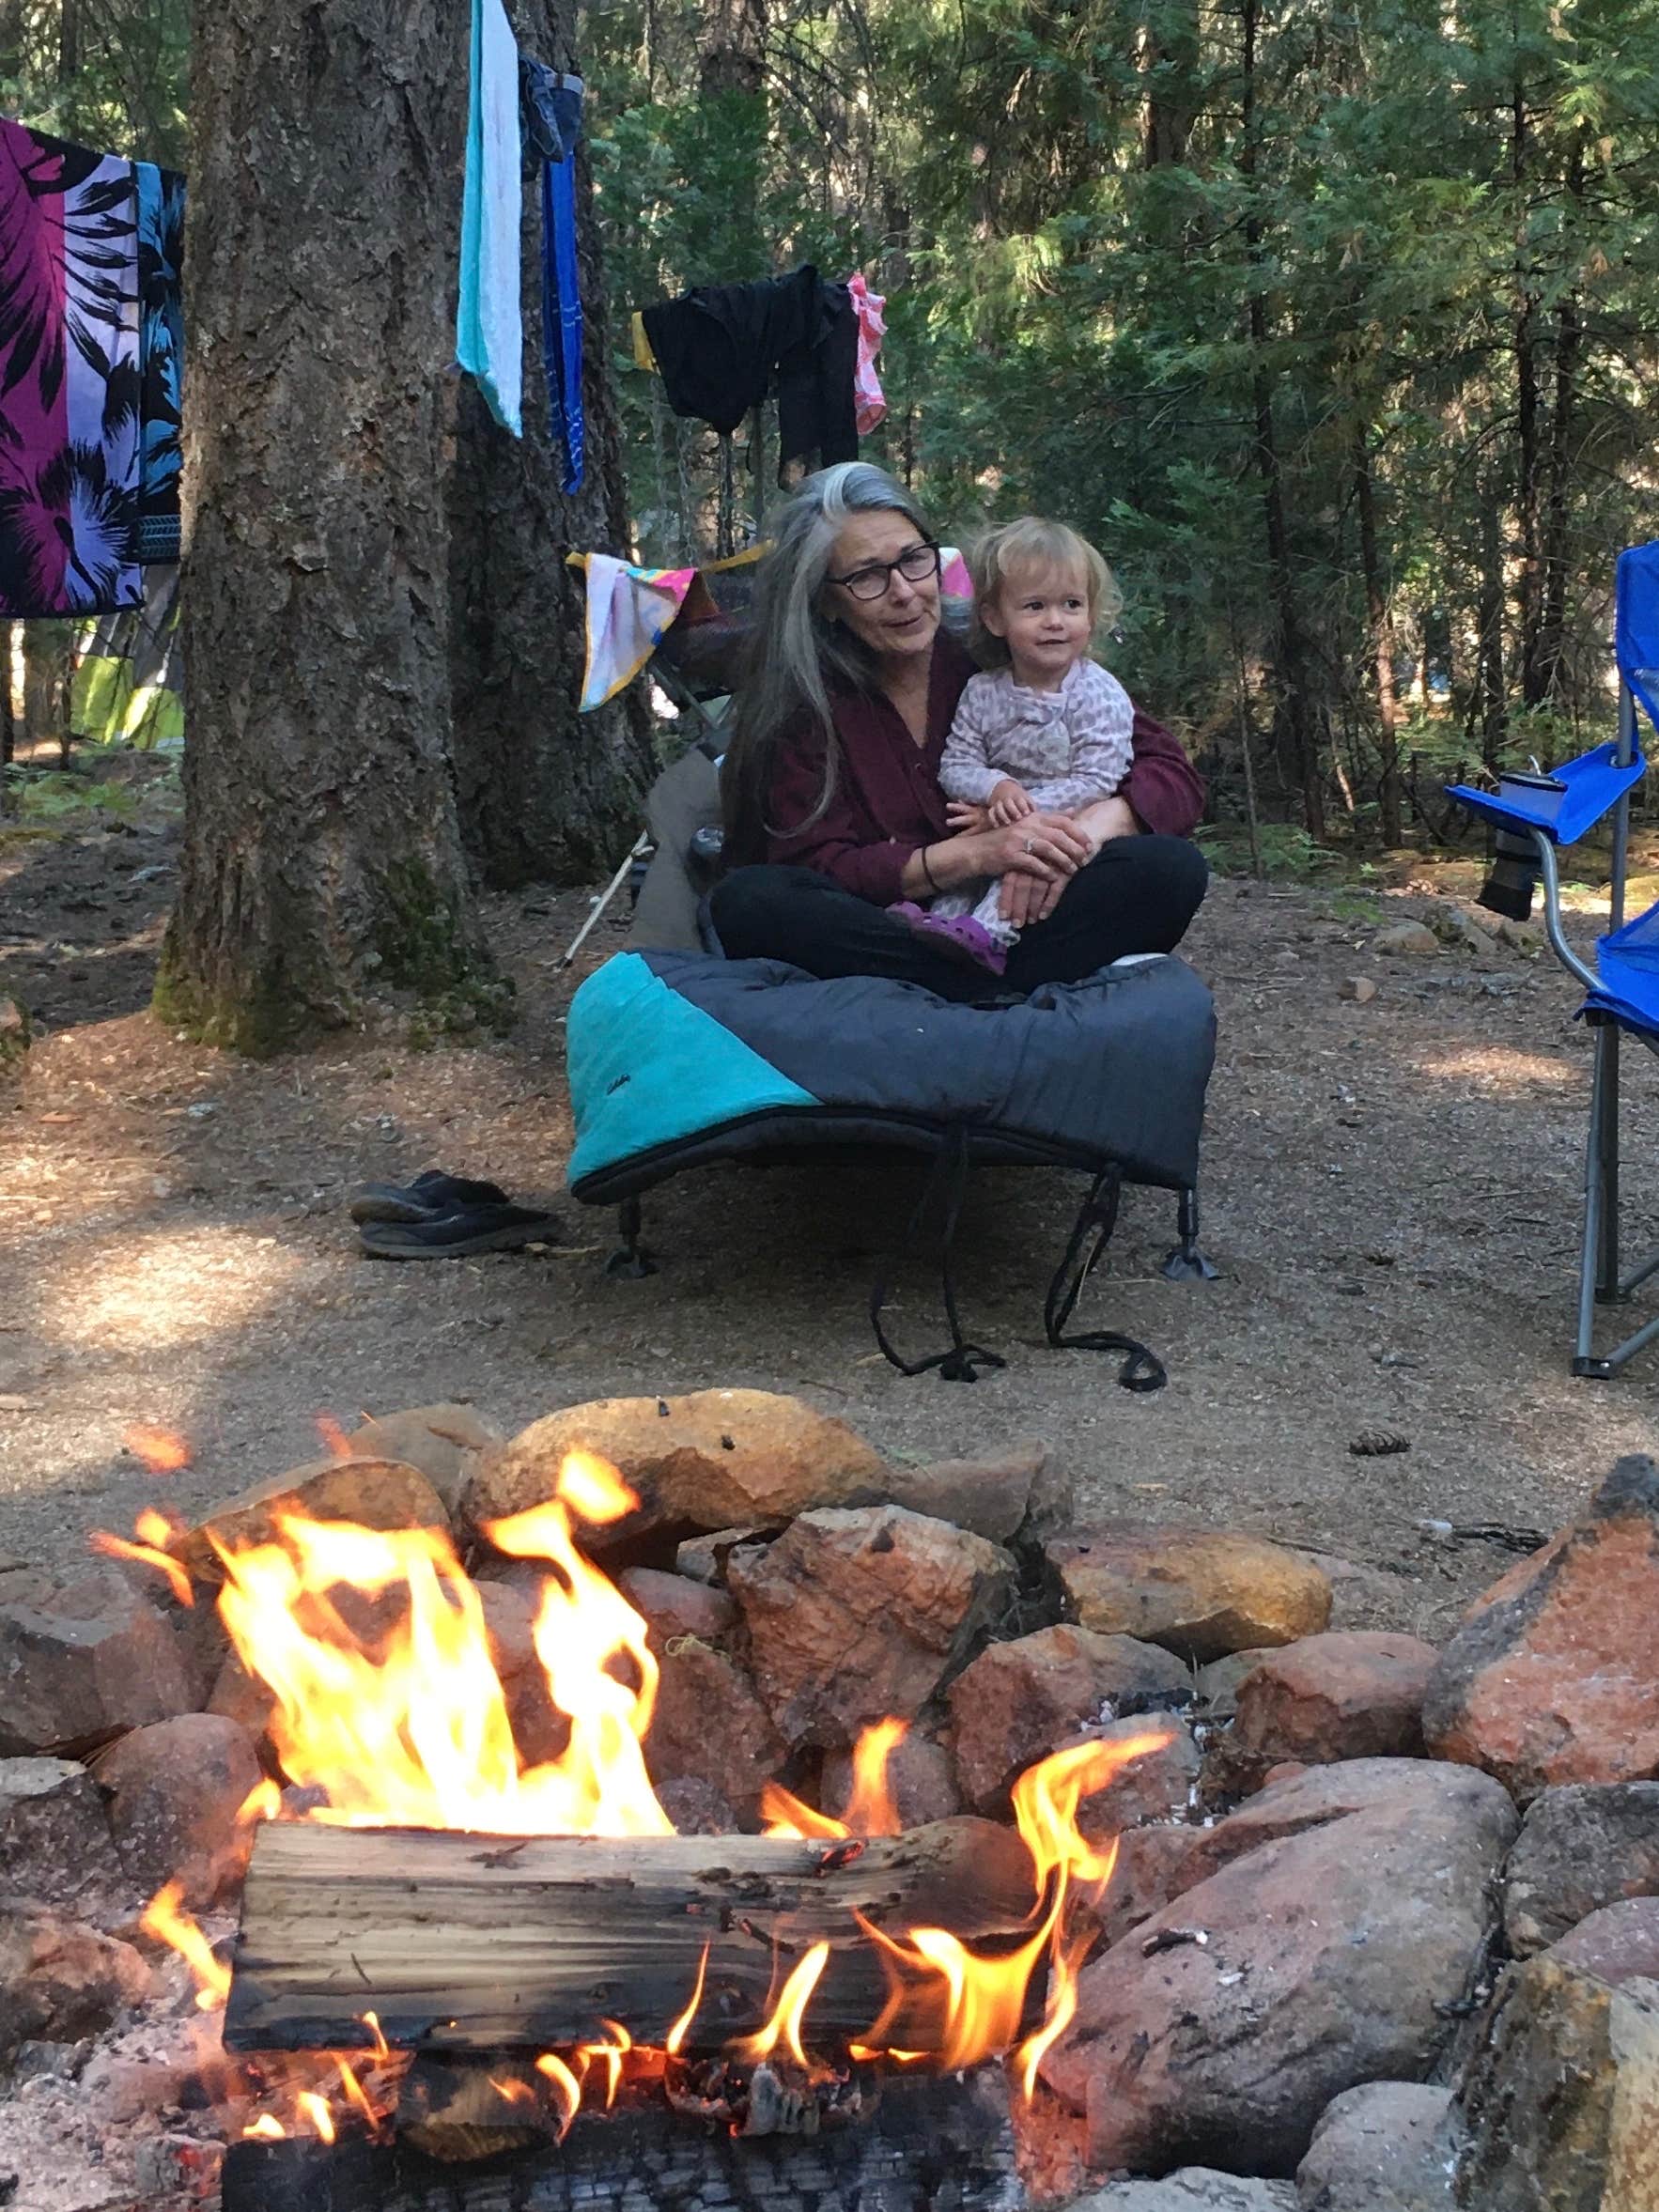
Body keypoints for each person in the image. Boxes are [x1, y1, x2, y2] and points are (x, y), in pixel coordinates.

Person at [712, 463, 1206, 1003]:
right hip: (889, 929)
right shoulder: (803, 706)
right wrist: (978, 854)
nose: (903, 591)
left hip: (1022, 914)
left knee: (1169, 869)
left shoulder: (1001, 651)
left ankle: (955, 993)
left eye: (913, 560)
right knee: (750, 903)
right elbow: (815, 865)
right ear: (825, 600)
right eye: (866, 576)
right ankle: (981, 993)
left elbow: (1171, 774)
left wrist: (1071, 840)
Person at [892, 515, 1136, 975]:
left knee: (1019, 868)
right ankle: (934, 934)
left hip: (1064, 830)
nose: (1055, 622)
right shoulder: (983, 691)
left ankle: (986, 940)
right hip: (986, 825)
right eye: (1034, 607)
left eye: (1071, 604)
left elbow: (1098, 779)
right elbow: (957, 763)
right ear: (994, 618)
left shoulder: (1100, 694)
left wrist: (1016, 816)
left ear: (1091, 612)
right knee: (964, 873)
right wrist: (997, 788)